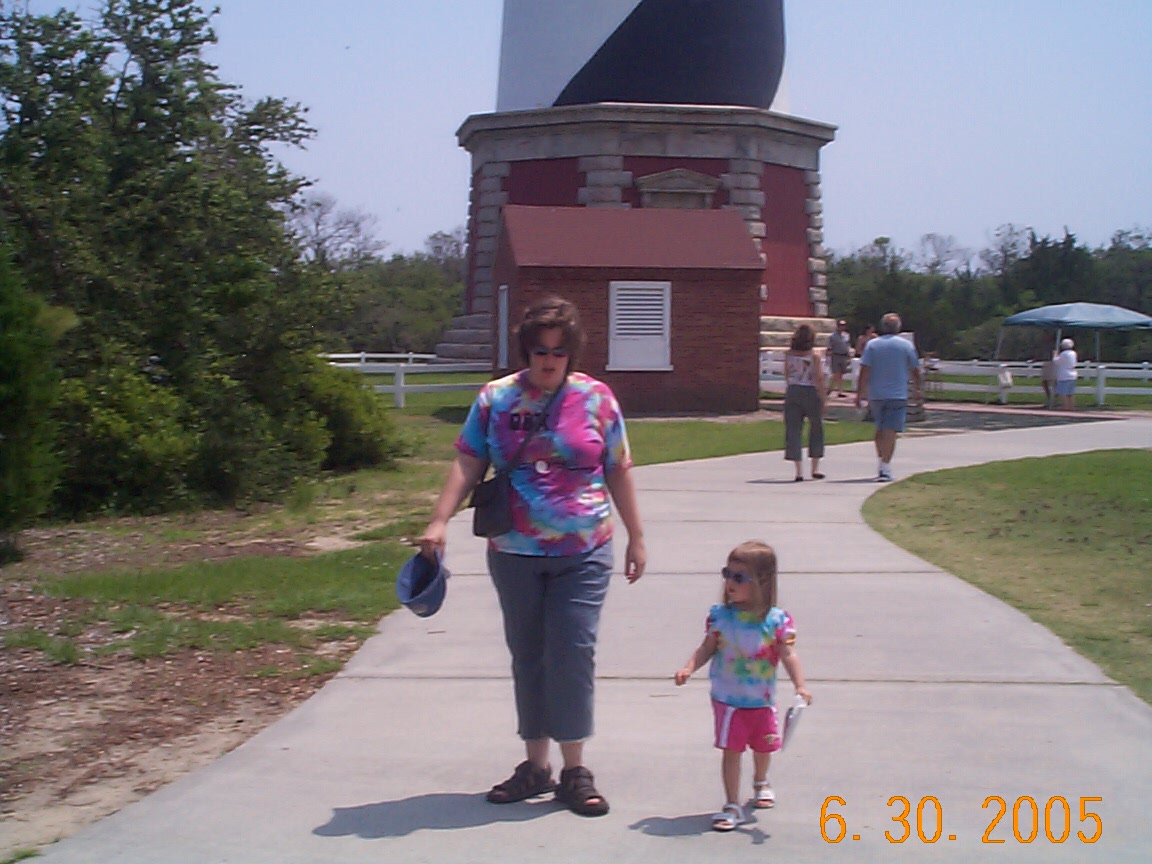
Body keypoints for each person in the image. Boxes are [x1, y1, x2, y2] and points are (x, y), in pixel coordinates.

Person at [419, 296, 646, 818]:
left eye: (559, 351)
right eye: (540, 350)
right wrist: (439, 520)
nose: (549, 360)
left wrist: (637, 535)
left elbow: (618, 468)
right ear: (526, 351)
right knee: (528, 654)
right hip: (514, 549)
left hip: (584, 549)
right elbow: (468, 461)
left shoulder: (596, 399)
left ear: (572, 353)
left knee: (572, 650)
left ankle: (574, 770)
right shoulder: (497, 398)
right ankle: (536, 766)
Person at [674, 541, 812, 832]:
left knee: (764, 748)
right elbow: (707, 647)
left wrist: (800, 685)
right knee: (731, 751)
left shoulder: (776, 621)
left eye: (739, 577)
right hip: (727, 701)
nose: (730, 582)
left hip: (761, 700)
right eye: (727, 574)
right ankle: (731, 803)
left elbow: (788, 654)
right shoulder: (721, 617)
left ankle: (761, 781)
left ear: (763, 582)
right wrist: (689, 667)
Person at [855, 312, 922, 482]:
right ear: (898, 328)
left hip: (876, 394)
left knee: (880, 429)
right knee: (890, 431)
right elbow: (915, 369)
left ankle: (882, 461)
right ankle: (885, 467)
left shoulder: (872, 345)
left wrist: (860, 393)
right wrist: (918, 389)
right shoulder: (906, 345)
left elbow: (864, 370)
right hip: (897, 394)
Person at [782, 323, 826, 481]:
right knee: (816, 428)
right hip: (811, 391)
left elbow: (787, 373)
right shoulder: (814, 356)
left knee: (793, 429)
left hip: (793, 390)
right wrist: (823, 397)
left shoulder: (788, 354)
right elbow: (819, 377)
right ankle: (815, 468)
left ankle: (798, 471)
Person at [826, 319, 852, 397]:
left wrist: (849, 355)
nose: (842, 327)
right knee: (836, 373)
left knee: (841, 374)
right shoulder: (833, 336)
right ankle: (835, 390)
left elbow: (847, 345)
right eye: (841, 325)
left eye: (843, 325)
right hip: (836, 355)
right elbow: (829, 347)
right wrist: (828, 356)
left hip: (844, 356)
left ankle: (834, 390)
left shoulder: (846, 335)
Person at [1054, 337, 1078, 410]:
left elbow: (1056, 361)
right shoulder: (1073, 353)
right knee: (1070, 393)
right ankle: (1071, 407)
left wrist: (1055, 355)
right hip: (1072, 374)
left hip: (1064, 375)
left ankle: (1065, 407)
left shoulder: (1063, 354)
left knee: (1063, 393)